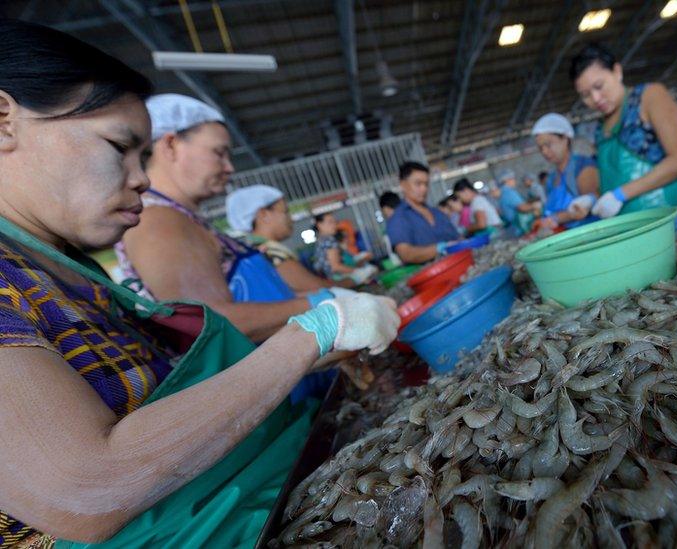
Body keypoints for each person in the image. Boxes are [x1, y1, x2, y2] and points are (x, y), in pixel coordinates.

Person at [0, 20, 400, 547]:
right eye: (119, 146)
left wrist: (326, 343)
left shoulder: (76, 274)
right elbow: (83, 490)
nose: (141, 177)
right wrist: (308, 335)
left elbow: (166, 399)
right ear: (5, 119)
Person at [115, 94, 339, 342]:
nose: (229, 167)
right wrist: (320, 304)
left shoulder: (182, 217)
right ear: (170, 145)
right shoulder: (156, 219)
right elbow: (208, 326)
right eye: (219, 153)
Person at [571, 43, 677, 217]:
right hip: (628, 226)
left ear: (617, 71)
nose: (595, 98)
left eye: (599, 86)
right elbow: (612, 183)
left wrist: (621, 194)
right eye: (585, 95)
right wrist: (592, 199)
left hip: (670, 215)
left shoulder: (648, 96)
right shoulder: (599, 130)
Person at [225, 184, 354, 292]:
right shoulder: (270, 252)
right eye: (285, 212)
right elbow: (316, 288)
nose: (290, 219)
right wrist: (352, 281)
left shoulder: (254, 248)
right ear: (264, 215)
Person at [531, 113, 601, 229]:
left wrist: (556, 218)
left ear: (565, 139)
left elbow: (593, 203)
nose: (544, 151)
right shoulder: (552, 179)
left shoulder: (582, 167)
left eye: (548, 145)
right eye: (540, 148)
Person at [385, 161, 459, 264]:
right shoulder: (398, 219)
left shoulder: (437, 213)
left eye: (426, 184)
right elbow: (406, 254)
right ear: (403, 184)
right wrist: (439, 248)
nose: (424, 189)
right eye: (418, 184)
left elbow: (457, 238)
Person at [311, 212, 378, 285]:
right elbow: (336, 267)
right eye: (330, 222)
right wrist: (357, 271)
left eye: (334, 221)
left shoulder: (321, 240)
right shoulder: (329, 241)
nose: (334, 224)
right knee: (372, 269)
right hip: (338, 278)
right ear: (319, 225)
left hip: (330, 279)